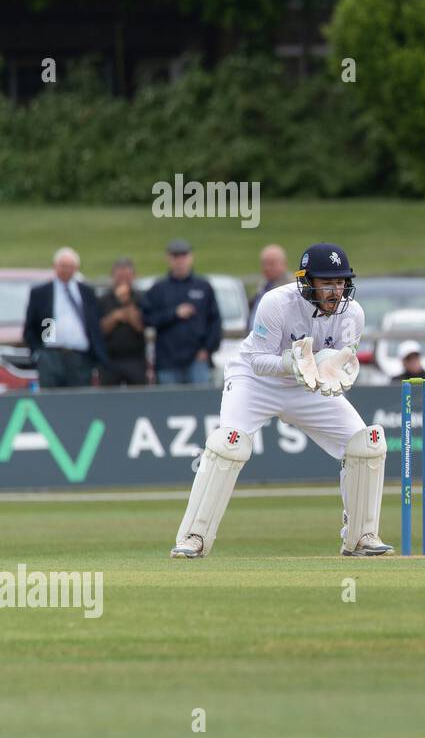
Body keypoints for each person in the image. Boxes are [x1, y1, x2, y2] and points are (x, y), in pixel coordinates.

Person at [170, 243, 390, 559]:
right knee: (228, 445)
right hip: (256, 382)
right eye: (327, 282)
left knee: (365, 444)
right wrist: (292, 364)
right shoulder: (276, 303)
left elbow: (339, 362)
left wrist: (330, 374)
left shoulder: (352, 313)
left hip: (308, 386)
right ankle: (193, 536)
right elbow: (258, 360)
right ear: (307, 281)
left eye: (341, 282)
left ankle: (361, 536)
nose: (336, 291)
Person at [22, 247, 108, 388]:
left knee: (79, 400)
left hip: (80, 357)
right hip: (51, 355)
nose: (66, 270)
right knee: (52, 401)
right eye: (63, 266)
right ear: (55, 267)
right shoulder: (42, 293)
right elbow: (30, 327)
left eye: (70, 267)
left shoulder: (86, 292)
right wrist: (39, 353)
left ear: (76, 268)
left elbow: (94, 325)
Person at [144, 239, 223, 385]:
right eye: (175, 256)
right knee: (171, 405)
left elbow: (215, 321)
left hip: (197, 360)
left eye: (184, 255)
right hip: (168, 361)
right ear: (168, 258)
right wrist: (174, 313)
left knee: (199, 404)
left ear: (191, 257)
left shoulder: (203, 286)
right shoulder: (159, 288)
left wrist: (207, 349)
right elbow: (148, 319)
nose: (180, 260)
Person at [97, 257, 149, 385]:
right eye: (120, 276)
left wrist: (126, 303)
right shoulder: (103, 300)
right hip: (109, 359)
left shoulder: (141, 298)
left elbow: (140, 326)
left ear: (134, 277)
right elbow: (99, 330)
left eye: (127, 276)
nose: (123, 280)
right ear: (113, 276)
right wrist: (115, 317)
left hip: (135, 358)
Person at [249, 244, 290, 322]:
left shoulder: (289, 288)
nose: (267, 268)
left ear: (284, 264)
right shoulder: (262, 284)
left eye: (272, 264)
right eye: (264, 263)